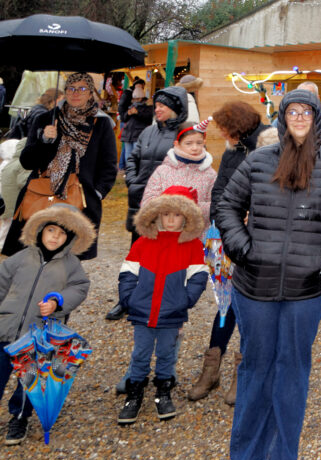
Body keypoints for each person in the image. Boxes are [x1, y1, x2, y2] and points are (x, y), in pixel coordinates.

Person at [215, 89, 321, 460]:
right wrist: (242, 249)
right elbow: (226, 206)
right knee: (256, 368)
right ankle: (246, 458)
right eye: (292, 111)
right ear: (282, 118)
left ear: (316, 118)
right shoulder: (259, 161)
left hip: (305, 290)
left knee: (292, 371)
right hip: (255, 286)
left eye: (306, 111)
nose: (299, 117)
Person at [187, 101, 270, 404]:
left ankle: (242, 372)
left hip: (257, 242)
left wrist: (255, 213)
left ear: (238, 128)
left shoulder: (269, 146)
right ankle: (211, 370)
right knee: (224, 304)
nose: (221, 134)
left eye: (224, 129)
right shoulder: (233, 152)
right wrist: (228, 221)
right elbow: (220, 192)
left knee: (247, 307)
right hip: (225, 239)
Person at [0, 204, 94, 445]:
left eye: (62, 233)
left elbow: (79, 287)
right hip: (6, 328)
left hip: (36, 336)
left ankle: (19, 416)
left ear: (70, 237)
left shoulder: (71, 264)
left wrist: (57, 301)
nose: (55, 236)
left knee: (29, 380)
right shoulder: (21, 257)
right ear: (40, 229)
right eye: (51, 230)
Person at [117, 186, 208, 424]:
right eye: (165, 213)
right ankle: (134, 394)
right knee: (140, 354)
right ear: (156, 214)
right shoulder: (143, 242)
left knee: (167, 353)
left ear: (187, 217)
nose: (170, 219)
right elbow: (127, 272)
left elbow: (199, 277)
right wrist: (129, 299)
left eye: (176, 214)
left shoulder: (193, 246)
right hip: (142, 312)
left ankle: (163, 392)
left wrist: (185, 301)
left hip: (172, 313)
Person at [2, 73, 117, 261]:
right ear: (64, 92)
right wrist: (45, 140)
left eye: (81, 89)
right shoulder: (46, 119)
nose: (75, 93)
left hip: (80, 200)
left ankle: (61, 290)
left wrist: (97, 192)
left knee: (69, 257)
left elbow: (109, 164)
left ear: (90, 93)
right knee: (33, 252)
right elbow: (27, 162)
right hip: (40, 196)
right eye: (71, 88)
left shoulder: (101, 123)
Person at [107, 85, 188, 322]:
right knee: (136, 254)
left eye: (163, 105)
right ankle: (127, 300)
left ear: (176, 108)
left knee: (166, 256)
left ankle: (160, 301)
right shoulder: (147, 131)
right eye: (157, 104)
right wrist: (133, 181)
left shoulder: (186, 134)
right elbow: (133, 158)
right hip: (141, 202)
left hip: (168, 208)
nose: (158, 108)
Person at [141, 118, 217, 226]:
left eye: (199, 143)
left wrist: (192, 206)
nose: (194, 148)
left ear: (204, 143)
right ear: (177, 144)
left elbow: (215, 207)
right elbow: (147, 203)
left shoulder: (210, 174)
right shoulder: (163, 171)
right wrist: (172, 205)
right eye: (188, 143)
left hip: (197, 236)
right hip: (166, 234)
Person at [118, 79, 152, 172]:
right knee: (128, 154)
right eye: (134, 99)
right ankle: (129, 172)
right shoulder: (131, 104)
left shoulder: (148, 105)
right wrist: (128, 113)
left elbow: (149, 118)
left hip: (138, 134)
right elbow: (124, 118)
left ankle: (136, 172)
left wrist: (137, 113)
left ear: (141, 97)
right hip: (128, 133)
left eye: (137, 98)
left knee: (137, 154)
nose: (136, 100)